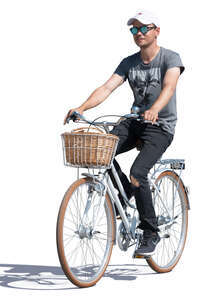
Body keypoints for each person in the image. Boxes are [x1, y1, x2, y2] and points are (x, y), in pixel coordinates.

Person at [64, 10, 185, 256]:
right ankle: (126, 192)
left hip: (160, 126)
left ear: (156, 31)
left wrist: (155, 110)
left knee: (138, 172)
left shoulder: (170, 58)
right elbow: (107, 87)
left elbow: (169, 87)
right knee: (101, 150)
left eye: (144, 28)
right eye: (134, 30)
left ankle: (150, 232)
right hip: (135, 121)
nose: (138, 33)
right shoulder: (129, 62)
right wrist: (81, 107)